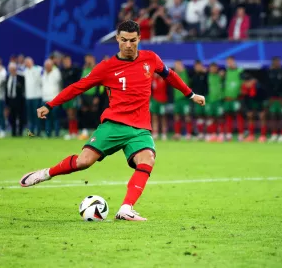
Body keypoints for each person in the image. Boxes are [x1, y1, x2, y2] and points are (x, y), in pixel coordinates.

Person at [19, 20, 205, 221]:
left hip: (140, 128)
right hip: (113, 125)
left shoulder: (150, 59)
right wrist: (50, 104)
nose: (128, 45)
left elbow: (171, 76)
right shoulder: (106, 67)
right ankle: (46, 173)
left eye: (132, 40)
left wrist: (190, 94)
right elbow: (78, 87)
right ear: (117, 39)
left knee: (147, 159)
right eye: (123, 40)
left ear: (139, 39)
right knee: (84, 162)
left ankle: (126, 208)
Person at [6, 63, 25, 137]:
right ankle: (13, 132)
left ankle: (20, 132)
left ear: (16, 69)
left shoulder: (20, 77)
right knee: (12, 117)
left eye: (13, 69)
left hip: (19, 100)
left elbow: (23, 89)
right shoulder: (8, 77)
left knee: (20, 117)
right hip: (10, 100)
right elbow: (6, 90)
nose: (12, 71)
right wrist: (7, 102)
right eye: (10, 69)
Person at [150, 73, 168, 140]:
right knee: (154, 117)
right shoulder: (153, 78)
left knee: (163, 117)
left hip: (162, 101)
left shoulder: (163, 78)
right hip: (154, 100)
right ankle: (155, 133)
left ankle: (164, 133)